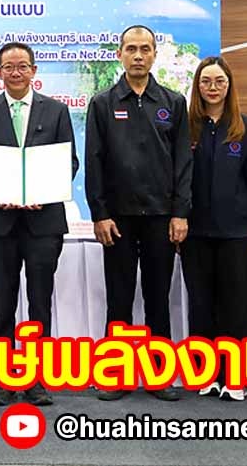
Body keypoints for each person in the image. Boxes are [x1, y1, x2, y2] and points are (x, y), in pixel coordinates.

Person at [0, 42, 78, 407]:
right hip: (1, 223)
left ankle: (35, 381)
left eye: (23, 66)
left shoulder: (56, 111)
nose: (16, 72)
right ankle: (3, 380)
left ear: (34, 71)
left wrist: (44, 192)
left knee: (39, 303)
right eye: (9, 67)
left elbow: (69, 162)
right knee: (2, 303)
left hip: (43, 223)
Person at [85, 24, 192, 402]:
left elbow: (183, 162)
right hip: (117, 219)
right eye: (131, 49)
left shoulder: (173, 102)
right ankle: (115, 374)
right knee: (119, 297)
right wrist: (99, 213)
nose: (138, 56)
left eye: (145, 49)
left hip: (161, 217)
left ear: (154, 55)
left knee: (158, 297)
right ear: (120, 54)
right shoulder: (103, 103)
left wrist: (180, 213)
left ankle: (159, 376)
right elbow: (94, 161)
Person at [182, 57, 247, 402]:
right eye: (206, 82)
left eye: (219, 81)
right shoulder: (186, 128)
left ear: (229, 85)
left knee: (237, 306)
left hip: (237, 233)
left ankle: (236, 377)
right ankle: (206, 374)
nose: (213, 88)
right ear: (197, 86)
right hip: (195, 233)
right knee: (201, 304)